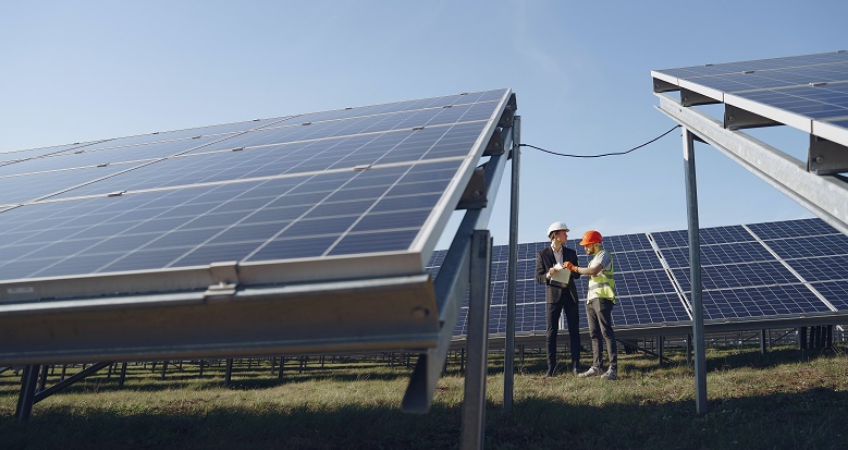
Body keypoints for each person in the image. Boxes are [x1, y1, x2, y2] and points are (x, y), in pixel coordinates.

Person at [564, 230, 618, 380]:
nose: (585, 249)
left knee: (606, 333)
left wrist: (574, 269)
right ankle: (597, 367)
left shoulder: (603, 255)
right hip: (591, 300)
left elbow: (593, 272)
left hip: (602, 298)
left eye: (587, 246)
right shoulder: (594, 258)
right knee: (594, 334)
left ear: (595, 244)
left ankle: (613, 369)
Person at [536, 221, 582, 377]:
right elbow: (539, 277)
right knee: (551, 333)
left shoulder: (571, 253)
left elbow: (577, 275)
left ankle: (576, 367)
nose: (566, 235)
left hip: (570, 295)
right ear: (555, 235)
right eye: (564, 232)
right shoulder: (543, 254)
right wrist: (549, 274)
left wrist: (571, 268)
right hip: (553, 296)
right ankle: (551, 369)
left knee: (574, 331)